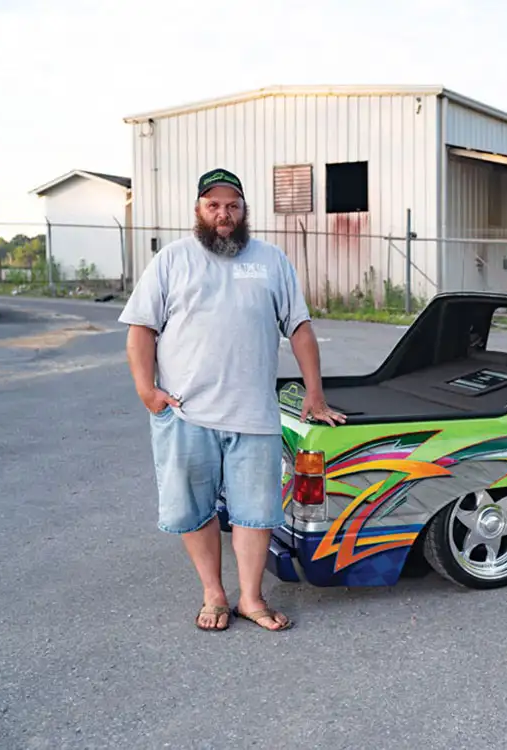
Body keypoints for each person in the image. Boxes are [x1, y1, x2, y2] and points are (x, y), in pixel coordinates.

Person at [119, 167, 345, 633]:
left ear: (244, 210)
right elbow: (141, 329)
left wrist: (315, 392)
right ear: (199, 210)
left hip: (254, 414)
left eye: (233, 206)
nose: (224, 214)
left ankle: (250, 597)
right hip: (186, 412)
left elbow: (299, 328)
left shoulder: (271, 260)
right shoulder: (172, 260)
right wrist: (147, 391)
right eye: (214, 206)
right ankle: (214, 593)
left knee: (255, 512)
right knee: (193, 508)